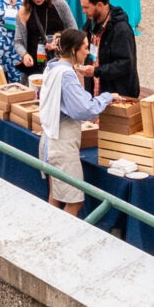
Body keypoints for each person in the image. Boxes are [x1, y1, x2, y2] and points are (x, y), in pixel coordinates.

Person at [38, 27, 116, 214]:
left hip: (49, 139)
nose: (88, 52)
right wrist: (107, 97)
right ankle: (61, 240)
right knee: (75, 202)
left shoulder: (52, 66)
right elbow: (84, 110)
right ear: (74, 50)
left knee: (55, 197)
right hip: (61, 145)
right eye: (85, 48)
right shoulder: (66, 75)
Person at [82, 0, 138, 97]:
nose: (84, 11)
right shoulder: (91, 22)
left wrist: (96, 71)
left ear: (100, 5)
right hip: (95, 90)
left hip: (118, 93)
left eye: (86, 7)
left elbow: (125, 64)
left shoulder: (121, 30)